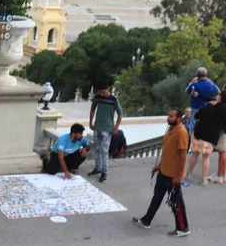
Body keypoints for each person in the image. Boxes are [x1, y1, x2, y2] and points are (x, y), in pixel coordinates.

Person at [132, 108, 190, 237]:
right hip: (164, 171)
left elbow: (182, 156)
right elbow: (169, 152)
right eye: (168, 116)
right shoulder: (170, 129)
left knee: (176, 202)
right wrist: (159, 166)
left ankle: (183, 228)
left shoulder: (181, 132)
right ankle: (146, 220)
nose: (168, 118)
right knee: (157, 196)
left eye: (171, 116)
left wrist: (179, 175)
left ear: (179, 118)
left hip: (173, 174)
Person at [186, 90, 226, 186]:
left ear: (220, 97)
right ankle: (204, 179)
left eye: (218, 94)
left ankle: (189, 173)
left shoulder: (209, 105)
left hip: (199, 134)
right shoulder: (223, 110)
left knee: (195, 154)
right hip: (211, 137)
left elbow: (196, 116)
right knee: (206, 157)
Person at [88, 82, 123, 183]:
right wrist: (90, 122)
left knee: (104, 150)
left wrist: (116, 127)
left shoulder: (113, 100)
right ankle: (97, 168)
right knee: (97, 148)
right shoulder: (97, 97)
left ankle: (104, 171)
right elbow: (93, 109)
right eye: (100, 92)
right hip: (97, 127)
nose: (102, 94)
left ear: (107, 88)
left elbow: (120, 113)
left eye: (103, 92)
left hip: (107, 129)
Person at [184, 67, 219, 139]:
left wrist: (191, 82)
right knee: (207, 124)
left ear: (197, 75)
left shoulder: (194, 84)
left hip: (195, 107)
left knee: (193, 125)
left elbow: (186, 91)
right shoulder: (211, 85)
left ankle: (192, 143)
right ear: (206, 75)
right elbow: (218, 91)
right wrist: (209, 80)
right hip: (207, 108)